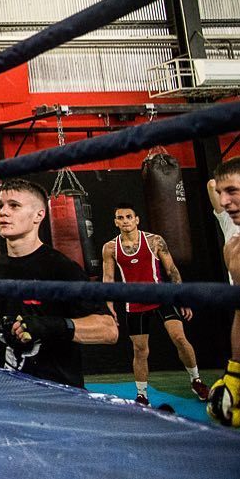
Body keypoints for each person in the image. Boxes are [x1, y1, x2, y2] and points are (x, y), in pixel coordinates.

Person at [0, 179, 118, 388]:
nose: (3, 212)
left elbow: (109, 330)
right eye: (0, 206)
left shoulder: (61, 268)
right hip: (7, 391)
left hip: (57, 394)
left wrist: (53, 326)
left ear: (39, 215)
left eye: (14, 206)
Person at [101, 204, 209, 405]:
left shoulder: (154, 241)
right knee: (140, 350)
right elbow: (108, 278)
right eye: (120, 217)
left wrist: (183, 298)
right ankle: (142, 395)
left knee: (179, 337)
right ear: (115, 222)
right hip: (134, 304)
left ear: (136, 219)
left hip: (161, 298)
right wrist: (109, 306)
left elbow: (172, 270)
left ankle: (196, 380)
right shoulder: (110, 248)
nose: (125, 220)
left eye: (128, 216)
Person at [208, 157, 240, 427]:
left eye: (231, 191)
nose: (224, 201)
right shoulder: (232, 245)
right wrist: (235, 373)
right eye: (220, 193)